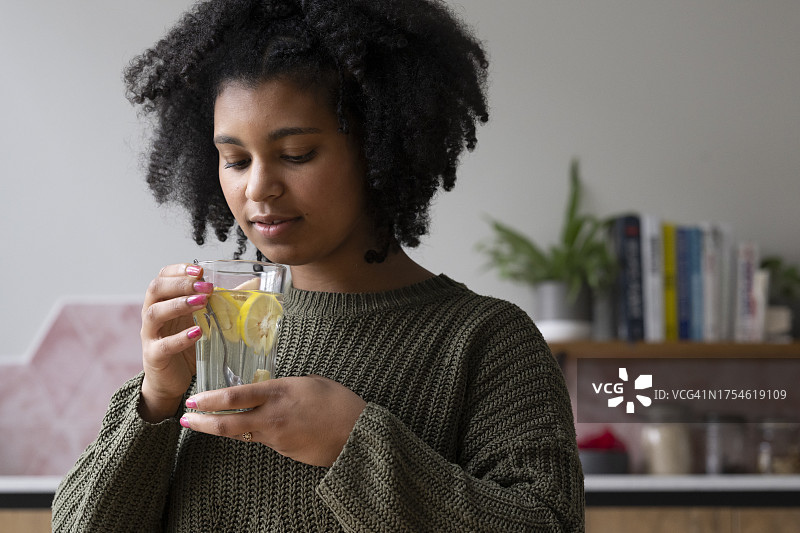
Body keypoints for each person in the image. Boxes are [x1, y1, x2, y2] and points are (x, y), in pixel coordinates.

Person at [52, 0, 585, 531]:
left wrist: (355, 444)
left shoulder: (486, 341)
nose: (257, 187)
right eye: (235, 160)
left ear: (380, 146)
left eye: (297, 154)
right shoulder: (217, 328)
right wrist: (156, 400)